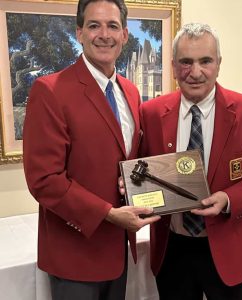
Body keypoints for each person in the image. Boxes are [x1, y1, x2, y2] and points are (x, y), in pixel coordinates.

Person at [23, 0, 159, 299]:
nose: (104, 34)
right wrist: (108, 214)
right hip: (74, 254)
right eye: (94, 25)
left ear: (124, 35)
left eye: (112, 26)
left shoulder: (131, 92)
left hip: (119, 251)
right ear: (79, 33)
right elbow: (44, 180)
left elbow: (131, 160)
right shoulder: (51, 90)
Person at [139, 23, 242, 300]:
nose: (195, 72)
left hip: (232, 250)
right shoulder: (150, 113)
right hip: (172, 250)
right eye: (185, 62)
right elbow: (142, 170)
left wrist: (229, 199)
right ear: (172, 66)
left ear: (218, 64)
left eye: (205, 61)